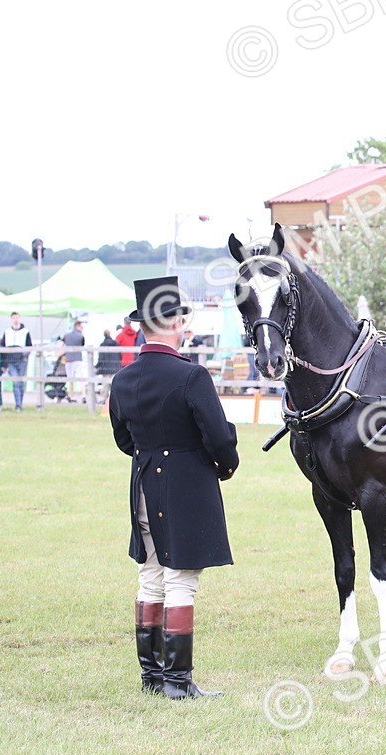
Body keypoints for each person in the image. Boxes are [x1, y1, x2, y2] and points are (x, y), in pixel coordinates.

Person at [109, 276, 239, 701]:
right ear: (171, 323)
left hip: (143, 485)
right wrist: (225, 464)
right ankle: (178, 682)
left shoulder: (123, 379)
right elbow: (219, 438)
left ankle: (152, 677)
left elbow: (124, 441)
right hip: (184, 486)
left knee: (150, 578)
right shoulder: (191, 375)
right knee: (181, 581)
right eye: (181, 318)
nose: (184, 326)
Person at [0, 313, 33, 411]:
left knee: (20, 381)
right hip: (10, 360)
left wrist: (25, 355)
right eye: (14, 318)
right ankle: (18, 404)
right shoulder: (7, 332)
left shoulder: (25, 332)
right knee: (16, 381)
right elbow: (2, 346)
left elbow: (29, 346)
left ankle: (19, 403)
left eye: (17, 317)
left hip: (21, 360)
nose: (15, 319)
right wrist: (4, 362)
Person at [62, 319, 87, 402]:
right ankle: (83, 395)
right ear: (78, 326)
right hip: (78, 358)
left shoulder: (66, 335)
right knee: (81, 378)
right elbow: (82, 345)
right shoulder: (81, 336)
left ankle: (71, 395)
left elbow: (62, 344)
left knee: (70, 378)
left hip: (68, 358)